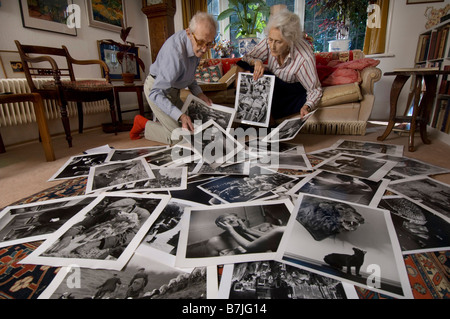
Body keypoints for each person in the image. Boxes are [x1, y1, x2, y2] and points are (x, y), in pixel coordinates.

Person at [130, 12, 218, 143]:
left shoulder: (197, 46)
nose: (205, 49)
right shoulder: (175, 53)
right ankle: (143, 124)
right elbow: (156, 93)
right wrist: (181, 116)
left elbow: (188, 76)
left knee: (193, 130)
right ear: (189, 33)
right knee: (180, 138)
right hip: (157, 90)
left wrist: (200, 94)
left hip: (174, 90)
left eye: (210, 43)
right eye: (201, 42)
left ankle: (162, 124)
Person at [236, 9, 322, 123]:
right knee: (249, 68)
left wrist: (307, 106)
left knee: (264, 88)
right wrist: (256, 62)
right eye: (270, 40)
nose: (272, 46)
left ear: (290, 41)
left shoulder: (304, 58)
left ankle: (268, 125)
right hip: (273, 82)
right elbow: (246, 58)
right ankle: (255, 121)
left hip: (291, 92)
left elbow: (315, 89)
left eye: (278, 42)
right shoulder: (270, 39)